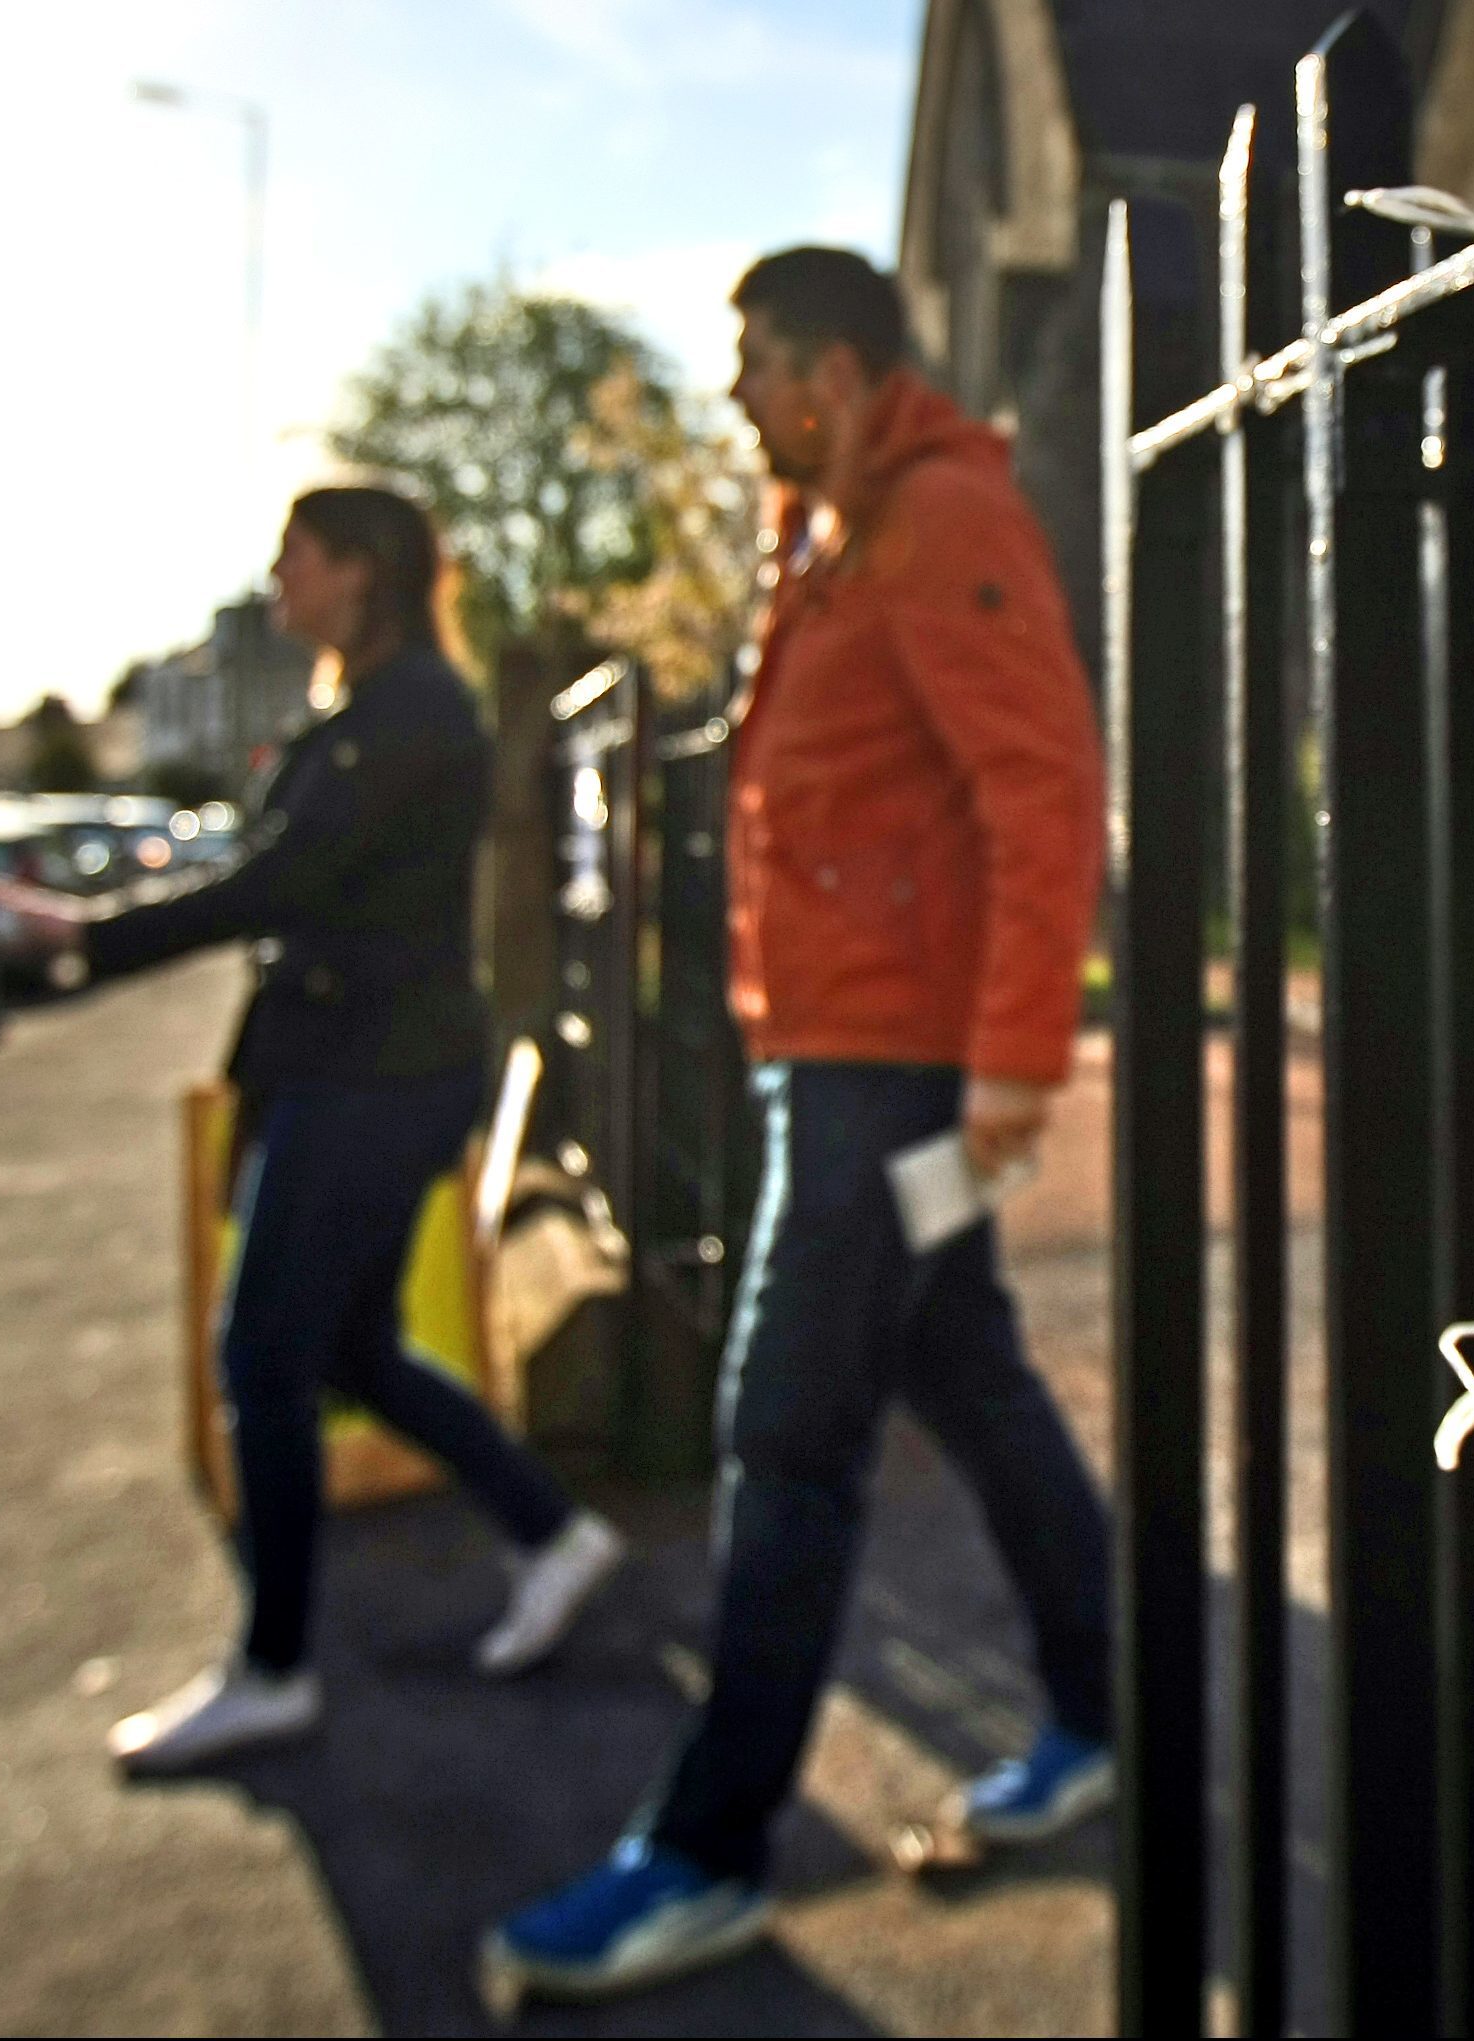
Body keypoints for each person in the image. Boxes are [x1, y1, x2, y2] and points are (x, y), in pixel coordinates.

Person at [485, 247, 1110, 2003]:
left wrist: (1010, 1062)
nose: (735, 394)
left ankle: (706, 1851)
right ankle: (1103, 1711)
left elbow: (1043, 784)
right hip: (828, 1057)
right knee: (965, 1373)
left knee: (781, 1430)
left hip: (885, 1076)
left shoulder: (937, 520)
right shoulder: (833, 534)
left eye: (753, 363)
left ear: (828, 371)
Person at [25, 487, 624, 1773]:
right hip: (357, 1067)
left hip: (372, 1074)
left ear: (361, 572)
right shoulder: (375, 712)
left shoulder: (407, 715)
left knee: (263, 1355)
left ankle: (275, 1666)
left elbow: (286, 881)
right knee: (349, 1344)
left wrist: (93, 937)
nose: (278, 579)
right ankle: (549, 1531)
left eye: (295, 556)